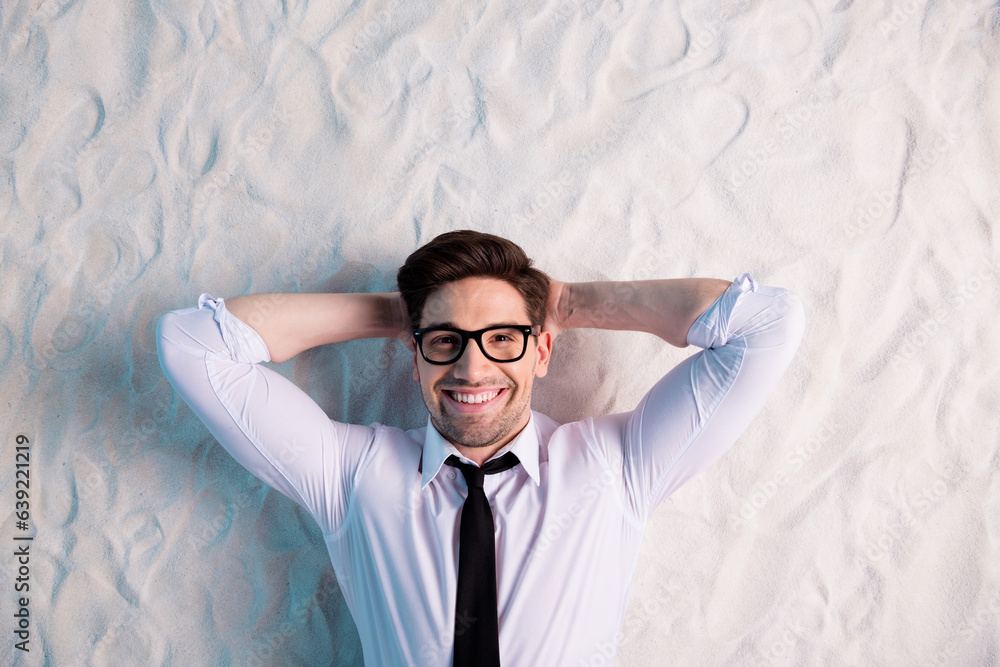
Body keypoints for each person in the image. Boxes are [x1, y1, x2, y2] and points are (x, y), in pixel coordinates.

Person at [156, 230, 805, 666]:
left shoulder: (615, 467)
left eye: (502, 338)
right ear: (414, 355)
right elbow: (194, 342)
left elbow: (765, 324)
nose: (472, 367)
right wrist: (399, 314)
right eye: (446, 340)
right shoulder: (353, 475)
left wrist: (571, 302)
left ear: (541, 348)